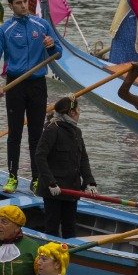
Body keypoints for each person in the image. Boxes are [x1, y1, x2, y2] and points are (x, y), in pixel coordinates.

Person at [0, 0, 59, 192]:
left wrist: (51, 45)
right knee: (15, 133)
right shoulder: (4, 31)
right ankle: (12, 177)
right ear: (11, 6)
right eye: (18, 3)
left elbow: (58, 53)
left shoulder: (42, 24)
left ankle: (37, 179)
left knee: (36, 133)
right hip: (15, 84)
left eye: (25, 2)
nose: (23, 6)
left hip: (37, 84)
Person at [34, 96, 96, 239]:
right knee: (52, 227)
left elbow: (83, 159)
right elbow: (40, 156)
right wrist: (50, 182)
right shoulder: (52, 130)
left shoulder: (77, 132)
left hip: (71, 189)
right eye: (78, 110)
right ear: (72, 113)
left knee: (70, 228)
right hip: (54, 191)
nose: (80, 113)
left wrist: (89, 182)